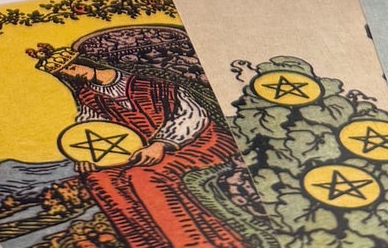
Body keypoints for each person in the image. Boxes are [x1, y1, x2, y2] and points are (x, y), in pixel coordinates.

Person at [30, 32, 252, 248]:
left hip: (197, 141)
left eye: (71, 67)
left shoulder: (154, 81)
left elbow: (191, 115)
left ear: (86, 61)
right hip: (142, 151)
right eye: (63, 74)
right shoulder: (88, 97)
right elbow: (91, 130)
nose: (71, 74)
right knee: (99, 180)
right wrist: (87, 158)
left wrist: (160, 144)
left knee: (142, 177)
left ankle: (196, 241)